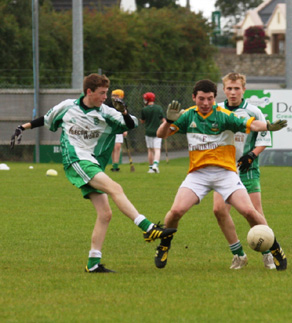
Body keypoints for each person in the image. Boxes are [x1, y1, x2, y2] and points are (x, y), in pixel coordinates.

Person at [10, 73, 176, 273]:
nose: (105, 97)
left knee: (105, 214)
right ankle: (148, 228)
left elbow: (131, 125)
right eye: (102, 93)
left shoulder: (106, 112)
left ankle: (93, 263)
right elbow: (46, 119)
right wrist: (22, 127)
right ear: (89, 92)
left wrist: (124, 112)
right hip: (76, 160)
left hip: (92, 162)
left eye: (106, 93)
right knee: (115, 187)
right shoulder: (68, 107)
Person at [154, 79, 288, 271]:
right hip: (198, 175)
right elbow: (161, 135)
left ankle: (275, 249)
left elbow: (252, 124)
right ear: (194, 98)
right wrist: (169, 121)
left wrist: (268, 126)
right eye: (201, 99)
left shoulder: (224, 116)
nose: (206, 103)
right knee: (175, 212)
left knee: (249, 211)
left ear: (215, 98)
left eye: (209, 99)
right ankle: (164, 245)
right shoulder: (186, 115)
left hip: (226, 173)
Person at [214, 72, 275, 270]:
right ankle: (239, 254)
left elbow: (265, 139)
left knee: (255, 212)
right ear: (224, 90)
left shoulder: (254, 111)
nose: (232, 92)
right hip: (223, 169)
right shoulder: (217, 110)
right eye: (229, 88)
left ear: (243, 89)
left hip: (247, 169)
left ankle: (269, 253)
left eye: (236, 88)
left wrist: (252, 155)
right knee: (219, 210)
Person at [140, 92, 166, 173]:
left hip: (148, 132)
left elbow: (142, 121)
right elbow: (164, 120)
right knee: (157, 149)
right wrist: (165, 129)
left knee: (150, 150)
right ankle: (155, 164)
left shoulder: (144, 109)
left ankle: (151, 168)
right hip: (158, 132)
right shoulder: (158, 108)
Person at [109, 89, 127, 172]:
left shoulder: (123, 105)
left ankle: (116, 165)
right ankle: (114, 164)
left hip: (119, 128)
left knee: (118, 146)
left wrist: (125, 129)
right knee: (113, 147)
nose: (114, 97)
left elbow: (126, 117)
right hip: (112, 128)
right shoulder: (109, 105)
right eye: (113, 95)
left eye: (116, 96)